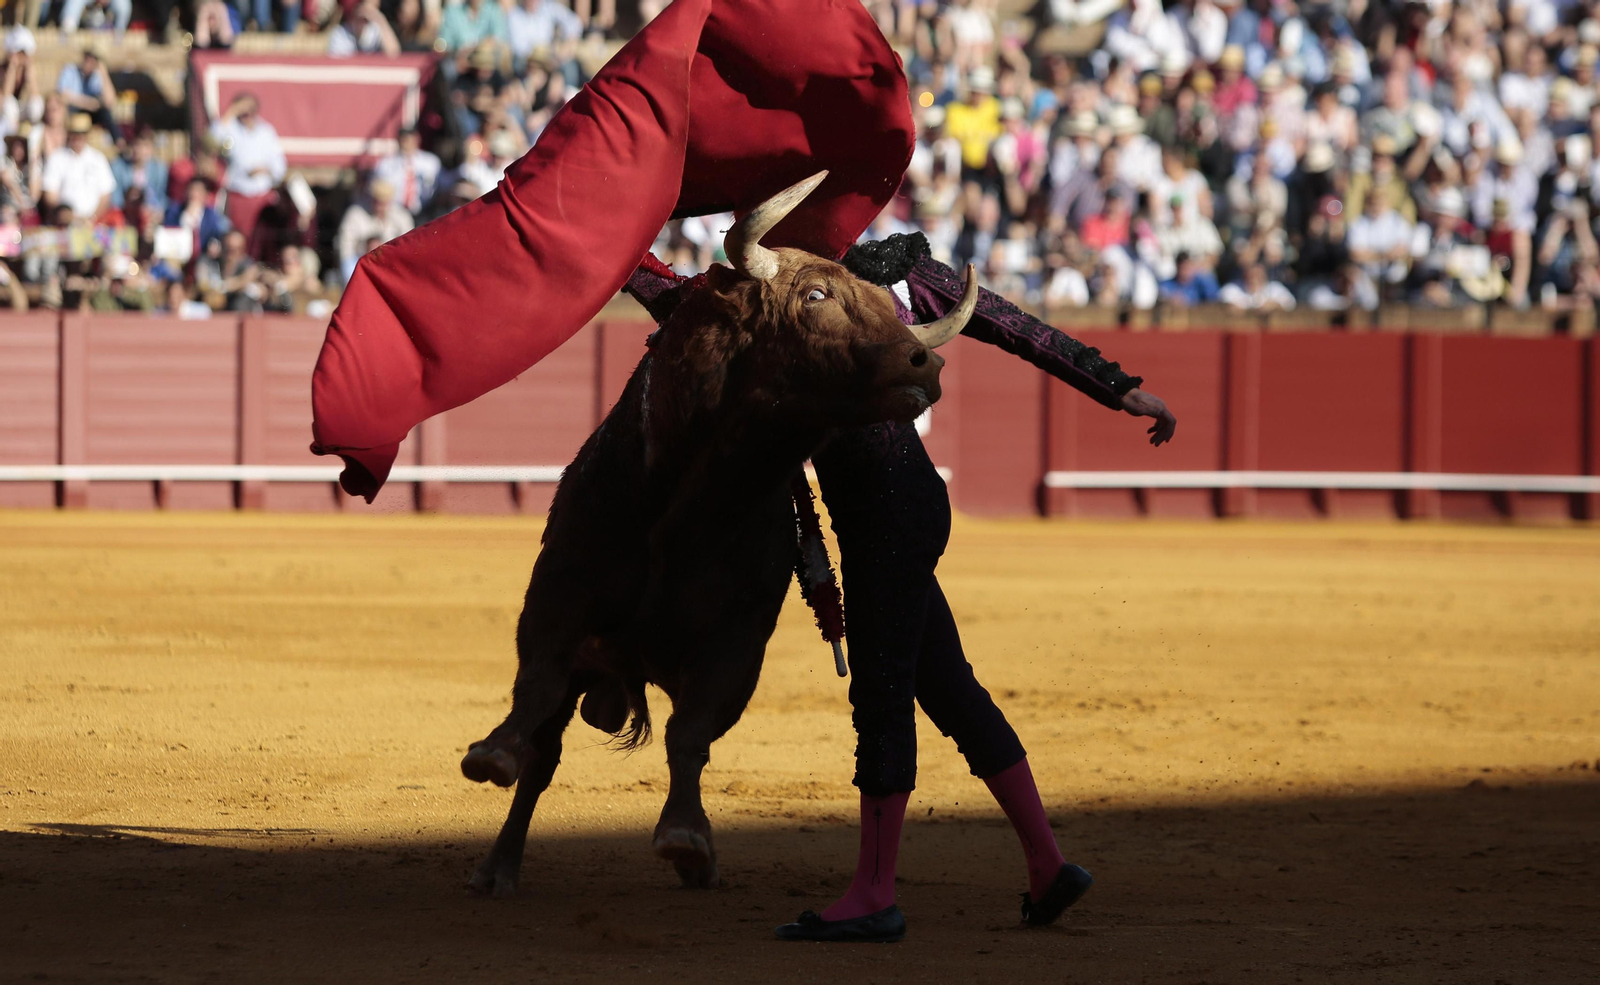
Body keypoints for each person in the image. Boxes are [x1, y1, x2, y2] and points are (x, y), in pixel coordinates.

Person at [209, 92, 286, 257]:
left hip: (262, 197)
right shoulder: (230, 128)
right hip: (239, 196)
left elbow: (280, 166)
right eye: (243, 109)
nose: (248, 113)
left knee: (263, 241)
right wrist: (232, 111)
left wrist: (265, 170)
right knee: (238, 241)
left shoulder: (266, 131)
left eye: (250, 109)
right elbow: (212, 138)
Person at [336, 178, 414, 283]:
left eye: (384, 203)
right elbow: (345, 246)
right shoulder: (355, 214)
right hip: (361, 263)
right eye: (377, 202)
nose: (380, 207)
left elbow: (408, 246)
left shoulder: (402, 217)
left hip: (391, 264)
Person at [39, 113, 113, 222]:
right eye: (75, 133)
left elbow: (105, 195)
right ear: (69, 134)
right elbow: (50, 194)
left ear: (87, 135)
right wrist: (64, 214)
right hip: (63, 223)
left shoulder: (98, 159)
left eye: (81, 133)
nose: (78, 137)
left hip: (93, 224)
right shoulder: (57, 157)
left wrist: (92, 218)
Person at [371, 126, 441, 215]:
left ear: (417, 139)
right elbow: (378, 189)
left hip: (425, 211)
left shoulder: (431, 162)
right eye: (404, 139)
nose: (407, 143)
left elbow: (442, 185)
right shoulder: (386, 163)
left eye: (410, 139)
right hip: (395, 212)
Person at [56, 47, 117, 137]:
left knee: (106, 114)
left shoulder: (97, 75)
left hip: (91, 115)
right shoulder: (70, 70)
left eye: (93, 59)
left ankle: (119, 143)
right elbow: (62, 95)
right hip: (72, 111)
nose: (88, 62)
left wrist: (104, 73)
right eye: (87, 58)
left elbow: (110, 102)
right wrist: (88, 103)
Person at [111, 130, 168, 215]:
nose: (139, 150)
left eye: (144, 146)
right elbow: (115, 198)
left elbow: (162, 196)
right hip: (125, 214)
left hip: (151, 214)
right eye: (136, 145)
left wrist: (156, 211)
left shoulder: (159, 169)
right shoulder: (118, 167)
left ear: (152, 149)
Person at [330, 0, 402, 57]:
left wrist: (380, 19)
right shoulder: (340, 33)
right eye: (357, 12)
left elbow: (394, 54)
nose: (361, 18)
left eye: (364, 18)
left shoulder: (374, 30)